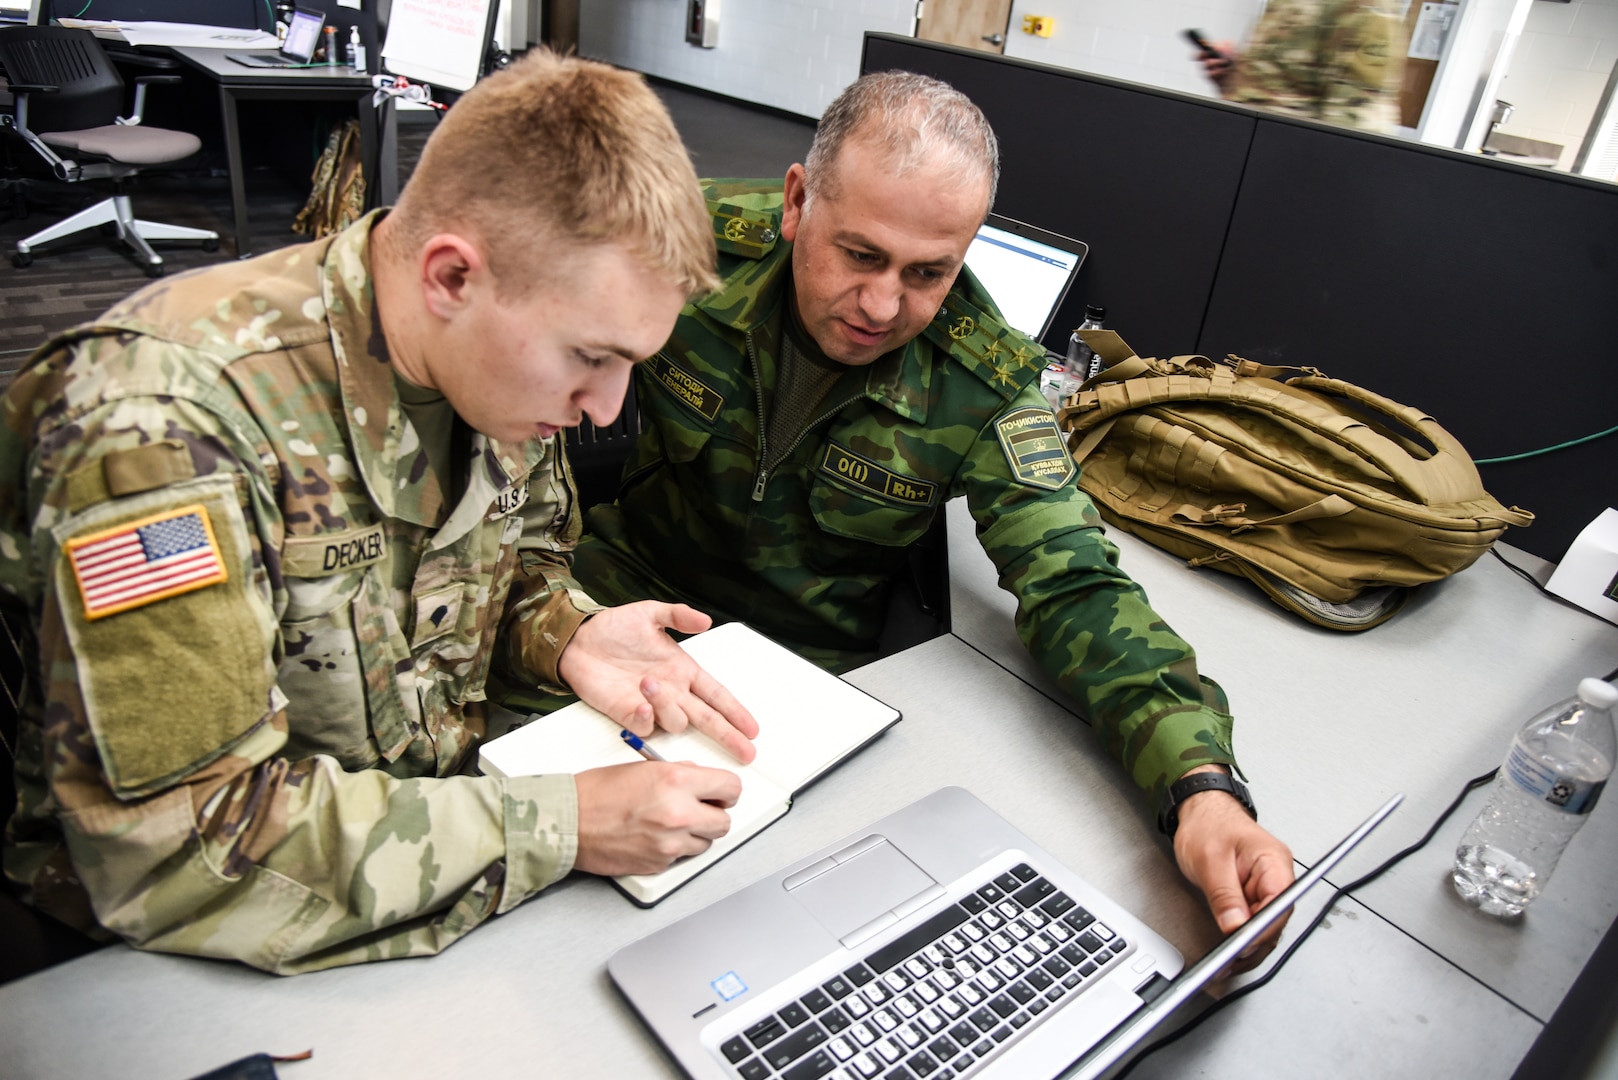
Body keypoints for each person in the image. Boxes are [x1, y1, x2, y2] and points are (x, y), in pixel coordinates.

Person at [501, 70, 1299, 968]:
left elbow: (1078, 586)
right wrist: (543, 599)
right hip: (608, 612)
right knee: (509, 855)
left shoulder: (984, 378)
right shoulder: (687, 241)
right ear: (799, 201)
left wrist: (1200, 788)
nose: (883, 306)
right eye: (860, 255)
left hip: (788, 699)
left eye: (929, 272)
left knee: (731, 938)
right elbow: (512, 376)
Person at [0, 50, 761, 974]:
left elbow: (509, 565)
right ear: (450, 277)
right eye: (592, 357)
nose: (607, 409)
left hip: (432, 834)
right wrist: (563, 825)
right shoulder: (159, 427)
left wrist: (564, 632)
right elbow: (176, 844)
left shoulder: (503, 371)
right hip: (167, 947)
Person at [1199, 0, 1409, 133]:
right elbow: (1281, 84)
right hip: (1242, 149)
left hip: (1281, 168)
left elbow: (1359, 123)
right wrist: (1233, 76)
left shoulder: (1367, 5)